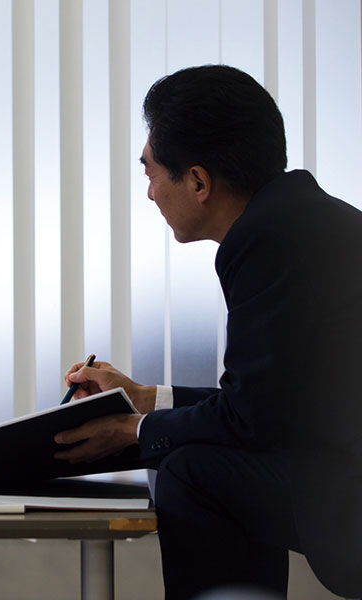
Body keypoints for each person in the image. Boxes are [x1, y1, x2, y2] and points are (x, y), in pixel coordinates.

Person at [53, 65, 362, 600]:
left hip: (349, 493)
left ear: (197, 181)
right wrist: (145, 399)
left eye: (150, 173)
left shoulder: (272, 241)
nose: (149, 193)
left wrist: (129, 431)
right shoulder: (306, 221)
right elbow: (269, 401)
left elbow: (252, 420)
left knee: (191, 469)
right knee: (196, 457)